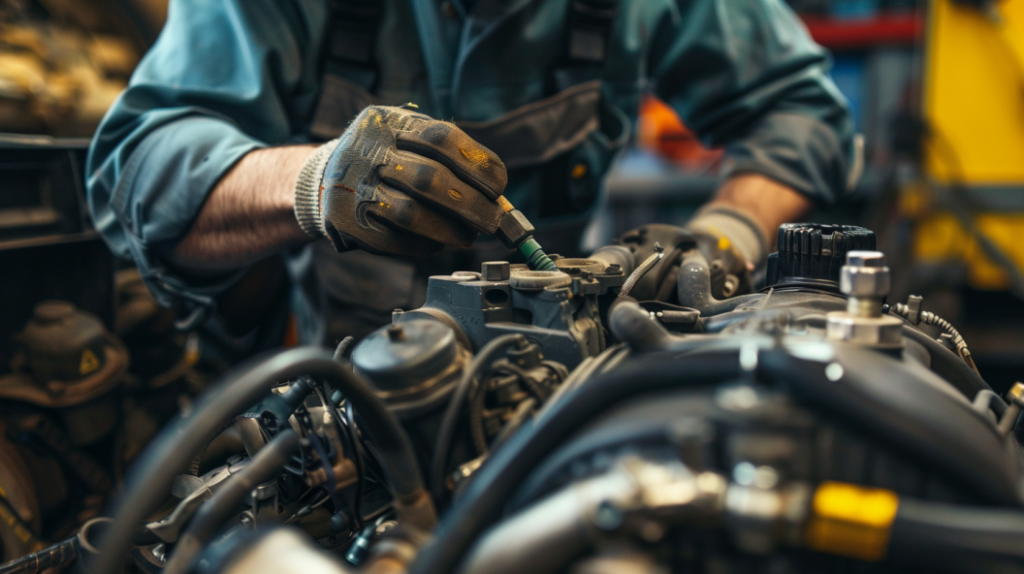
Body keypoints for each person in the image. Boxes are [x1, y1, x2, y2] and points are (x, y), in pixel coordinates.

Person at [87, 0, 859, 348]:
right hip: (339, 386)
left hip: (572, 373)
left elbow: (801, 110)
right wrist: (313, 181)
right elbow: (138, 167)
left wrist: (726, 234)